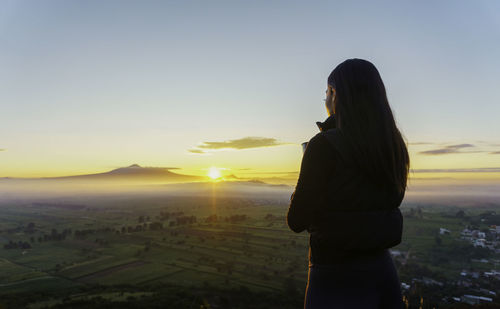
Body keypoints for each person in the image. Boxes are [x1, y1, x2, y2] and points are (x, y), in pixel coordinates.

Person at [287, 58, 409, 309]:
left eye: (326, 93)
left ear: (335, 93)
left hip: (334, 277)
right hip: (383, 275)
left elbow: (296, 220)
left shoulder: (323, 145)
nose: (325, 100)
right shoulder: (394, 146)